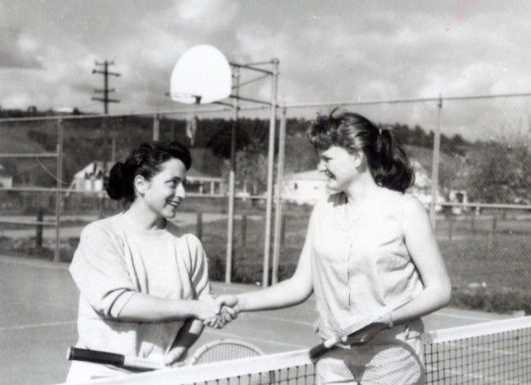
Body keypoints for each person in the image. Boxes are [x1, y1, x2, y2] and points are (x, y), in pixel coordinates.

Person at [219, 110, 452, 385]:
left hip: (393, 357)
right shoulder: (323, 209)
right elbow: (300, 284)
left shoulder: (405, 209)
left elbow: (439, 290)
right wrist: (241, 302)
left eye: (327, 158)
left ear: (357, 156)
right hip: (333, 358)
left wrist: (383, 321)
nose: (320, 167)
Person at [67, 141, 231, 382]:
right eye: (173, 183)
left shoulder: (189, 244)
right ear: (141, 184)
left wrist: (180, 349)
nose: (182, 194)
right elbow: (120, 303)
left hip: (158, 376)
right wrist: (197, 307)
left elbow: (200, 312)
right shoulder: (100, 234)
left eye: (184, 184)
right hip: (100, 375)